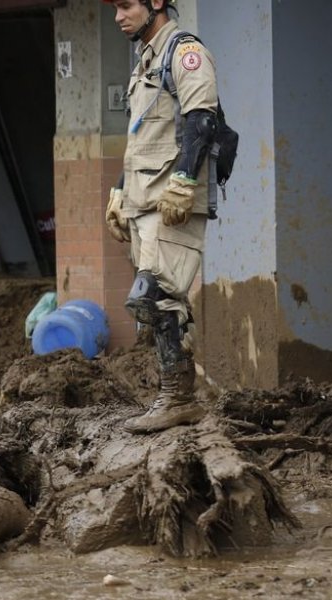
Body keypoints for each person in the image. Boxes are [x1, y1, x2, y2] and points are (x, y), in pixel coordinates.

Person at [101, 0, 218, 434]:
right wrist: (119, 190)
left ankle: (177, 399)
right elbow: (141, 135)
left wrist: (184, 182)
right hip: (144, 200)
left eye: (125, 5)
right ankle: (176, 397)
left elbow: (201, 121)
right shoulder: (146, 62)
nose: (118, 17)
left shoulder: (185, 52)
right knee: (159, 304)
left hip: (172, 201)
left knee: (155, 294)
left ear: (156, 2)